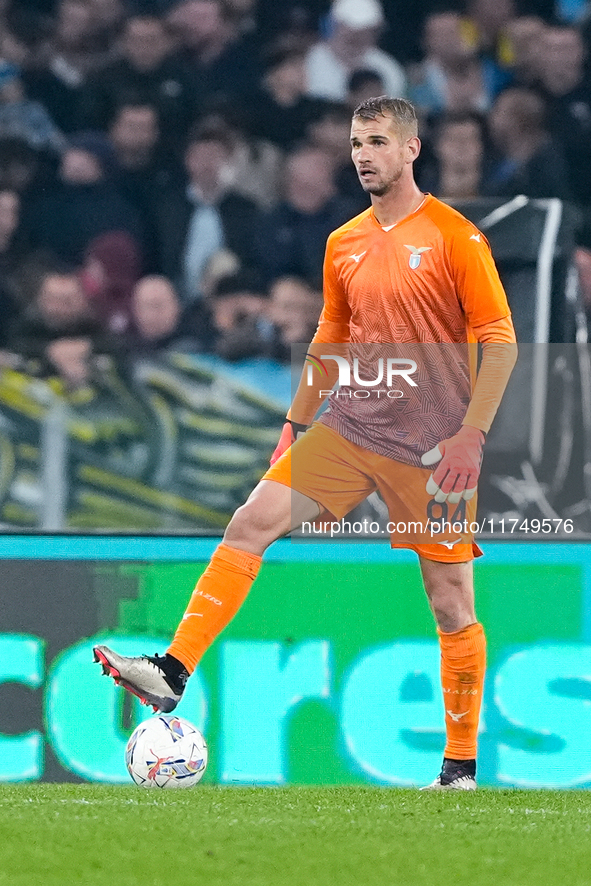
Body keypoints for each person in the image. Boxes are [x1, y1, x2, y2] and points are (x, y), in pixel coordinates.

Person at [94, 96, 517, 791]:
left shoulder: (453, 237)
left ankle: (459, 767)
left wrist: (473, 434)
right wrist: (294, 422)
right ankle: (171, 673)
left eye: (377, 141)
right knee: (250, 523)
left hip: (433, 445)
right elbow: (330, 338)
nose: (362, 154)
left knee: (449, 602)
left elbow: (498, 343)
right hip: (350, 427)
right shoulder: (343, 242)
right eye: (355, 142)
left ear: (410, 150)